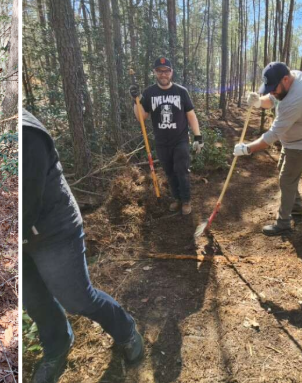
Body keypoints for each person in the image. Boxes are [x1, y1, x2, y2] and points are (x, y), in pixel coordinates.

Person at [23, 108, 144, 382]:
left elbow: (27, 203)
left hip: (53, 230)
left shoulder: (27, 133)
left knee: (77, 299)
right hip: (20, 236)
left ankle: (125, 330)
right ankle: (57, 346)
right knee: (36, 302)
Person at [233, 62, 302, 236]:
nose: (272, 91)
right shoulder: (291, 79)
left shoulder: (297, 100)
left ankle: (283, 223)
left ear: (286, 79)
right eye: (269, 88)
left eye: (274, 88)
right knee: (286, 172)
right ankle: (296, 207)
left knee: (286, 179)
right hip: (293, 141)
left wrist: (247, 149)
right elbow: (273, 99)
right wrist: (259, 102)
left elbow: (271, 136)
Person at [131, 57, 203, 215]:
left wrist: (198, 136)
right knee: (170, 173)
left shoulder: (181, 91)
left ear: (171, 72)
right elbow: (141, 117)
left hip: (180, 140)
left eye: (166, 71)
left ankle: (186, 200)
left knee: (181, 170)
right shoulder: (149, 93)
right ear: (155, 73)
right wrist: (136, 101)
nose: (163, 74)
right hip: (162, 142)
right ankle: (177, 199)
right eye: (159, 71)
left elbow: (191, 115)